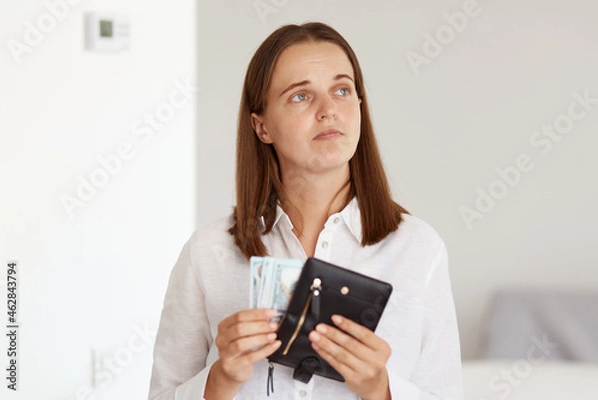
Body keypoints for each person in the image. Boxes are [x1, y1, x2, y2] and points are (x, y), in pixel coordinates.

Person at [148, 22, 463, 400]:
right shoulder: (208, 252)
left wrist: (381, 390)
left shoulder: (419, 249)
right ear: (261, 126)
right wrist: (218, 382)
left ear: (360, 107)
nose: (329, 110)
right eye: (301, 96)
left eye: (342, 90)